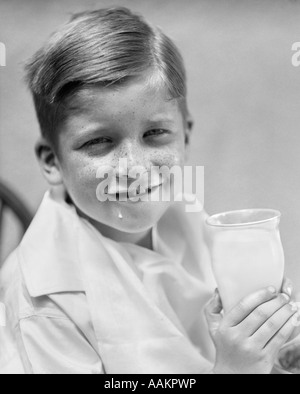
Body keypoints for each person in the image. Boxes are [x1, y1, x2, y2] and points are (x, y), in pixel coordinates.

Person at [0, 7, 298, 374]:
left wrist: (271, 353)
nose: (135, 169)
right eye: (99, 141)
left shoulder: (185, 215)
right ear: (52, 161)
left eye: (155, 134)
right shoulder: (45, 306)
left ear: (185, 136)